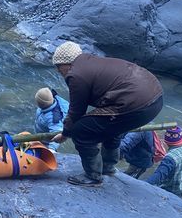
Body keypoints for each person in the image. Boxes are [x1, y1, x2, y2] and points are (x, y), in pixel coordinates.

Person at [50, 41, 163, 187]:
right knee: (111, 126)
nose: (58, 71)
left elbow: (76, 112)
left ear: (67, 63)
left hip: (136, 103)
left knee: (81, 130)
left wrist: (66, 133)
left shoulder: (76, 75)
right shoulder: (92, 62)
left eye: (59, 67)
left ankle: (93, 175)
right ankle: (108, 167)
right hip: (155, 97)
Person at [146, 126, 182, 196]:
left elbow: (158, 177)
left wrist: (140, 184)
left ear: (166, 142)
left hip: (169, 192)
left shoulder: (169, 158)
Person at [34, 87, 69, 152]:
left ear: (41, 104)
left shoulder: (53, 119)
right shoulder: (50, 102)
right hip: (41, 133)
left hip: (46, 143)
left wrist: (51, 149)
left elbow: (57, 134)